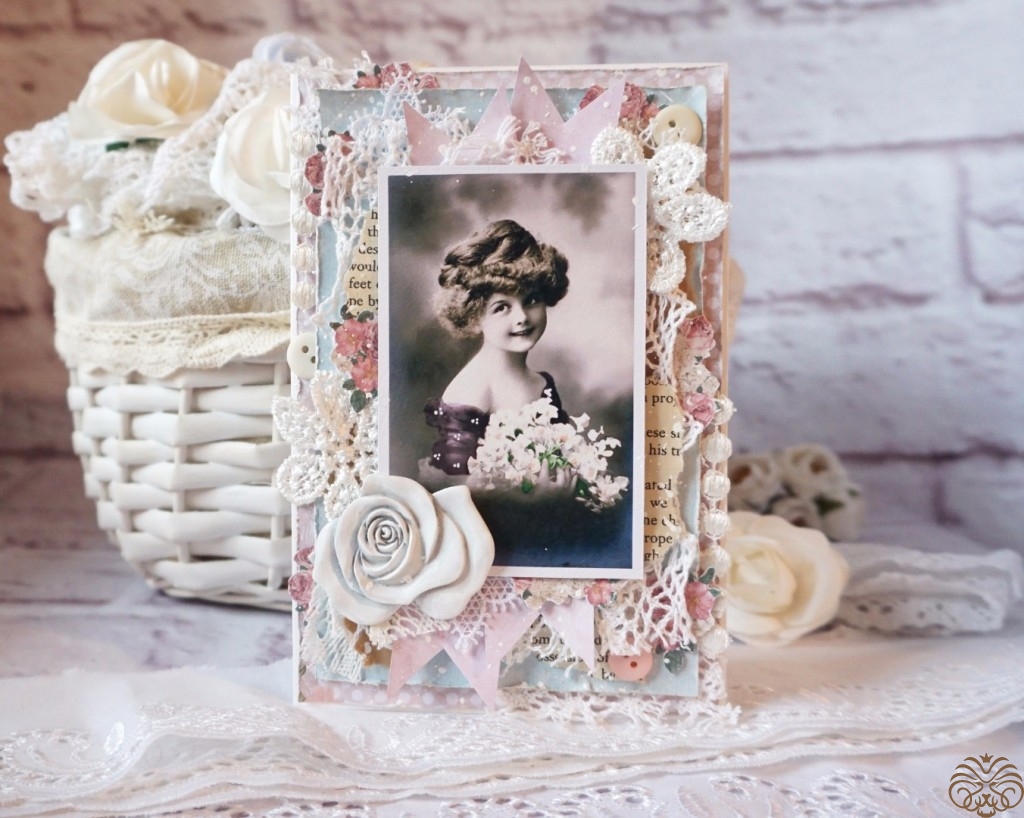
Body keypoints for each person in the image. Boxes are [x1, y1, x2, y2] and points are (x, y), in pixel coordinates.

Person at [424, 219, 571, 477]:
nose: (522, 317)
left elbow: (561, 459)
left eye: (532, 300)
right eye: (501, 307)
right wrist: (538, 496)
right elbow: (451, 484)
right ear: (474, 316)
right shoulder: (472, 390)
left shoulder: (542, 384)